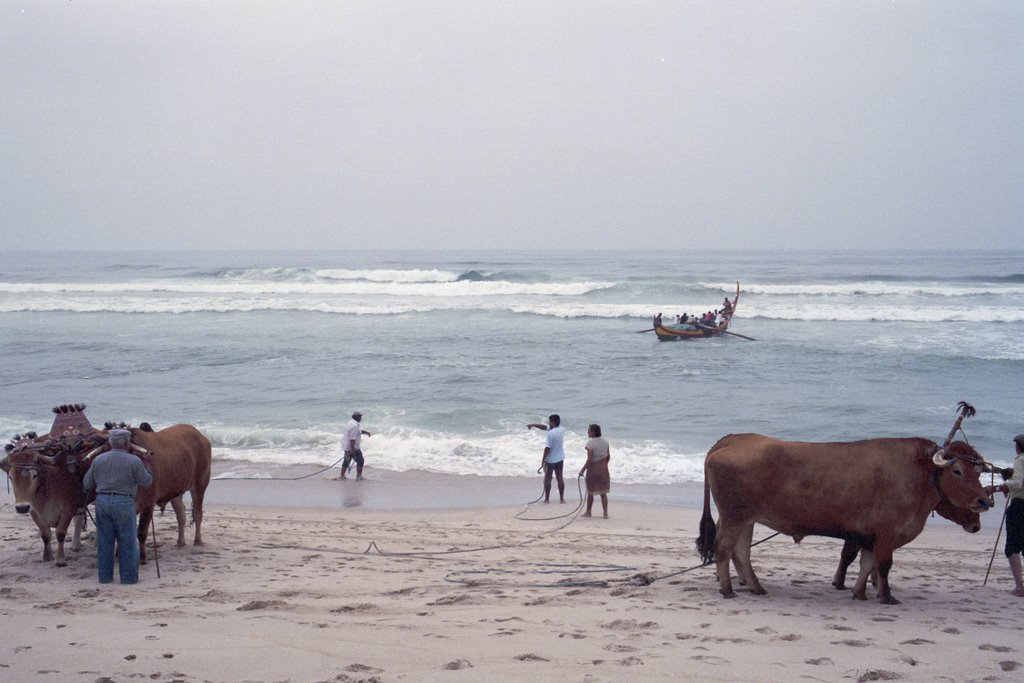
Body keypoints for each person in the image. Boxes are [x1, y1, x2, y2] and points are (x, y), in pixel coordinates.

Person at [82, 429, 153, 585]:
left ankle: (105, 578)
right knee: (127, 541)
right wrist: (147, 464)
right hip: (124, 502)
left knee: (105, 541)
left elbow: (87, 483)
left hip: (102, 502)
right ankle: (128, 578)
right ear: (127, 443)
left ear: (110, 443)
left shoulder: (98, 460)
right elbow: (146, 482)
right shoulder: (134, 461)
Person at [987, 434, 1024, 597]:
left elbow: (1017, 483)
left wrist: (996, 488)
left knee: (1012, 548)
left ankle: (1020, 588)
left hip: (1020, 506)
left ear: (1018, 447)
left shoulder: (1020, 459)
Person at [527, 414, 566, 503]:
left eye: (550, 421)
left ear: (553, 422)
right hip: (560, 458)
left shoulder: (551, 433)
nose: (549, 423)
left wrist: (543, 459)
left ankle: (547, 499)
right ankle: (562, 499)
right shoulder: (561, 430)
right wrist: (533, 425)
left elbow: (547, 448)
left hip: (551, 460)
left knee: (548, 478)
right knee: (560, 478)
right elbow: (544, 427)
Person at [578, 423, 611, 518]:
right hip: (604, 469)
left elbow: (590, 459)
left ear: (593, 432)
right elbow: (608, 456)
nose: (587, 432)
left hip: (593, 470)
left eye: (589, 430)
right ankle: (605, 513)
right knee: (603, 493)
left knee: (591, 493)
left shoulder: (590, 443)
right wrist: (603, 465)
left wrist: (582, 470)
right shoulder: (605, 442)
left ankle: (588, 512)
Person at [339, 411, 372, 481]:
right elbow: (352, 439)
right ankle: (359, 477)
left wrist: (365, 432)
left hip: (347, 447)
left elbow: (358, 432)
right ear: (357, 417)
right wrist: (353, 450)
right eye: (360, 417)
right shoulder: (354, 425)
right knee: (360, 461)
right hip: (353, 448)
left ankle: (342, 476)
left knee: (346, 461)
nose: (361, 418)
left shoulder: (350, 423)